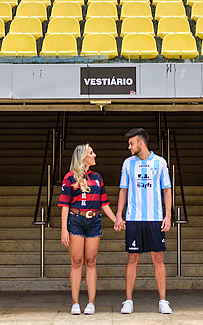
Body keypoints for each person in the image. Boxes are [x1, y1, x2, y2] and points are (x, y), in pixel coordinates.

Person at [114, 127, 173, 314]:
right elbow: (123, 190)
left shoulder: (160, 162)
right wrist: (118, 215)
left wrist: (168, 215)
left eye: (131, 143)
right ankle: (128, 301)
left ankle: (163, 300)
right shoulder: (127, 163)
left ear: (141, 143)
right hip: (134, 219)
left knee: (158, 258)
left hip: (155, 219)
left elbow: (167, 189)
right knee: (132, 259)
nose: (129, 147)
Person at [58, 144, 118, 315]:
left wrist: (116, 220)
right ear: (83, 157)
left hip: (94, 220)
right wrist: (64, 229)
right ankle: (75, 302)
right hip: (76, 220)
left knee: (91, 261)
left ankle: (91, 302)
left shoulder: (98, 177)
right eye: (91, 153)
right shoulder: (70, 177)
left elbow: (104, 203)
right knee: (77, 261)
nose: (95, 155)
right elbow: (64, 205)